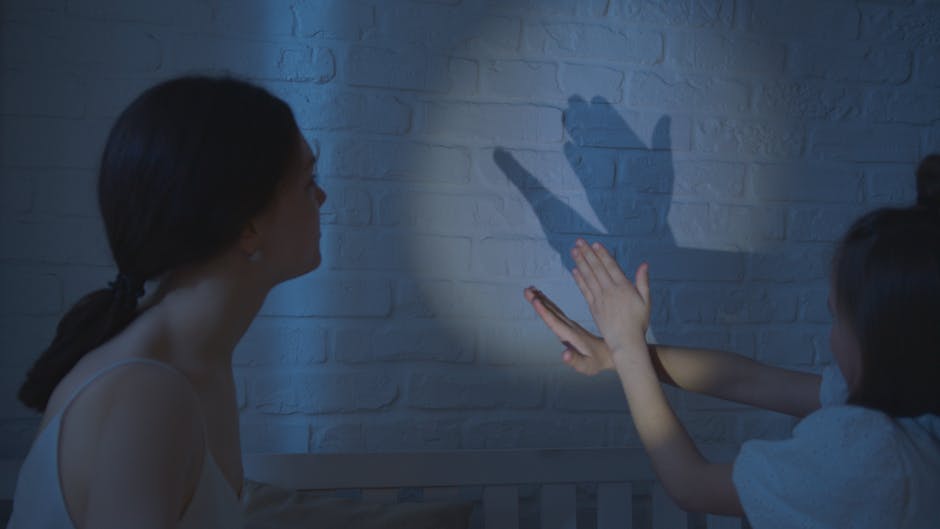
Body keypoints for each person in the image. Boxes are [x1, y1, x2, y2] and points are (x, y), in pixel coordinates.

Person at [524, 155, 940, 528]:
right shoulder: (912, 412)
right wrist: (614, 354)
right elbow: (745, 380)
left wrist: (627, 348)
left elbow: (693, 485)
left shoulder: (873, 455)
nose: (831, 337)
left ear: (880, 337)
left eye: (837, 318)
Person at [8, 76, 326, 529]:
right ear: (248, 226)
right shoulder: (146, 394)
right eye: (309, 181)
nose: (322, 197)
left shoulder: (195, 364)